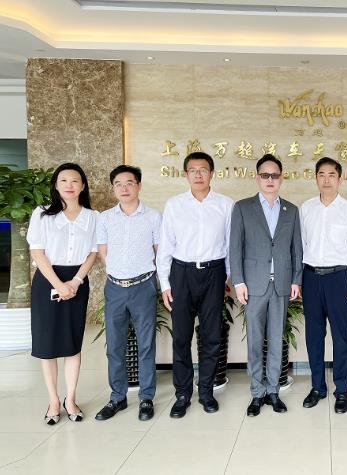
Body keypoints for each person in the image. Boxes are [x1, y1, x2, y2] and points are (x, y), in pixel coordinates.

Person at [157, 151, 234, 418]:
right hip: (182, 273)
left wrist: (225, 277)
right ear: (186, 174)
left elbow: (230, 245)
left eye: (203, 170)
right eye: (193, 170)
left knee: (211, 336)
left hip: (213, 273)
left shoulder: (226, 205)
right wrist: (165, 284)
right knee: (181, 336)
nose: (198, 175)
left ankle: (206, 391)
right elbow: (166, 246)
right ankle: (182, 393)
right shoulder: (174, 205)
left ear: (212, 173)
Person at [230, 154, 303, 417]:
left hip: (281, 284)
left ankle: (273, 391)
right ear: (257, 177)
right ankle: (256, 392)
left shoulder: (291, 210)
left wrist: (296, 279)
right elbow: (235, 248)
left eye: (274, 175)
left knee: (276, 339)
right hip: (254, 285)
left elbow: (296, 249)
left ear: (281, 179)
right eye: (265, 175)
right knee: (255, 340)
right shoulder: (242, 207)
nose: (270, 180)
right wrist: (238, 281)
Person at [26, 162, 98, 424]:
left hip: (77, 281)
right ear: (56, 185)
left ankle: (71, 399)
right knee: (47, 345)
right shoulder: (42, 214)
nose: (69, 185)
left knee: (72, 342)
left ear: (83, 186)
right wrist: (58, 284)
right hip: (48, 280)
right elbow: (37, 252)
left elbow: (93, 252)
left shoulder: (93, 217)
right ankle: (54, 401)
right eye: (64, 180)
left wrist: (76, 281)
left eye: (75, 180)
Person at [95, 165, 162, 422]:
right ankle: (117, 397)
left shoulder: (153, 216)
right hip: (115, 288)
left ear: (139, 186)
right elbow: (103, 252)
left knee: (146, 345)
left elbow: (159, 252)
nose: (124, 188)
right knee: (115, 346)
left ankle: (146, 397)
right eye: (118, 184)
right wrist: (119, 273)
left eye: (129, 183)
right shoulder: (105, 218)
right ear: (113, 188)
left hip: (143, 286)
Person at [300, 157, 347, 414]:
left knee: (341, 336)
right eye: (321, 174)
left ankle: (342, 390)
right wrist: (298, 280)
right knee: (314, 335)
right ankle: (317, 387)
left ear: (340, 178)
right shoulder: (306, 209)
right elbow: (300, 247)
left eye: (331, 175)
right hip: (311, 278)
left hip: (339, 279)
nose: (326, 180)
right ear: (316, 177)